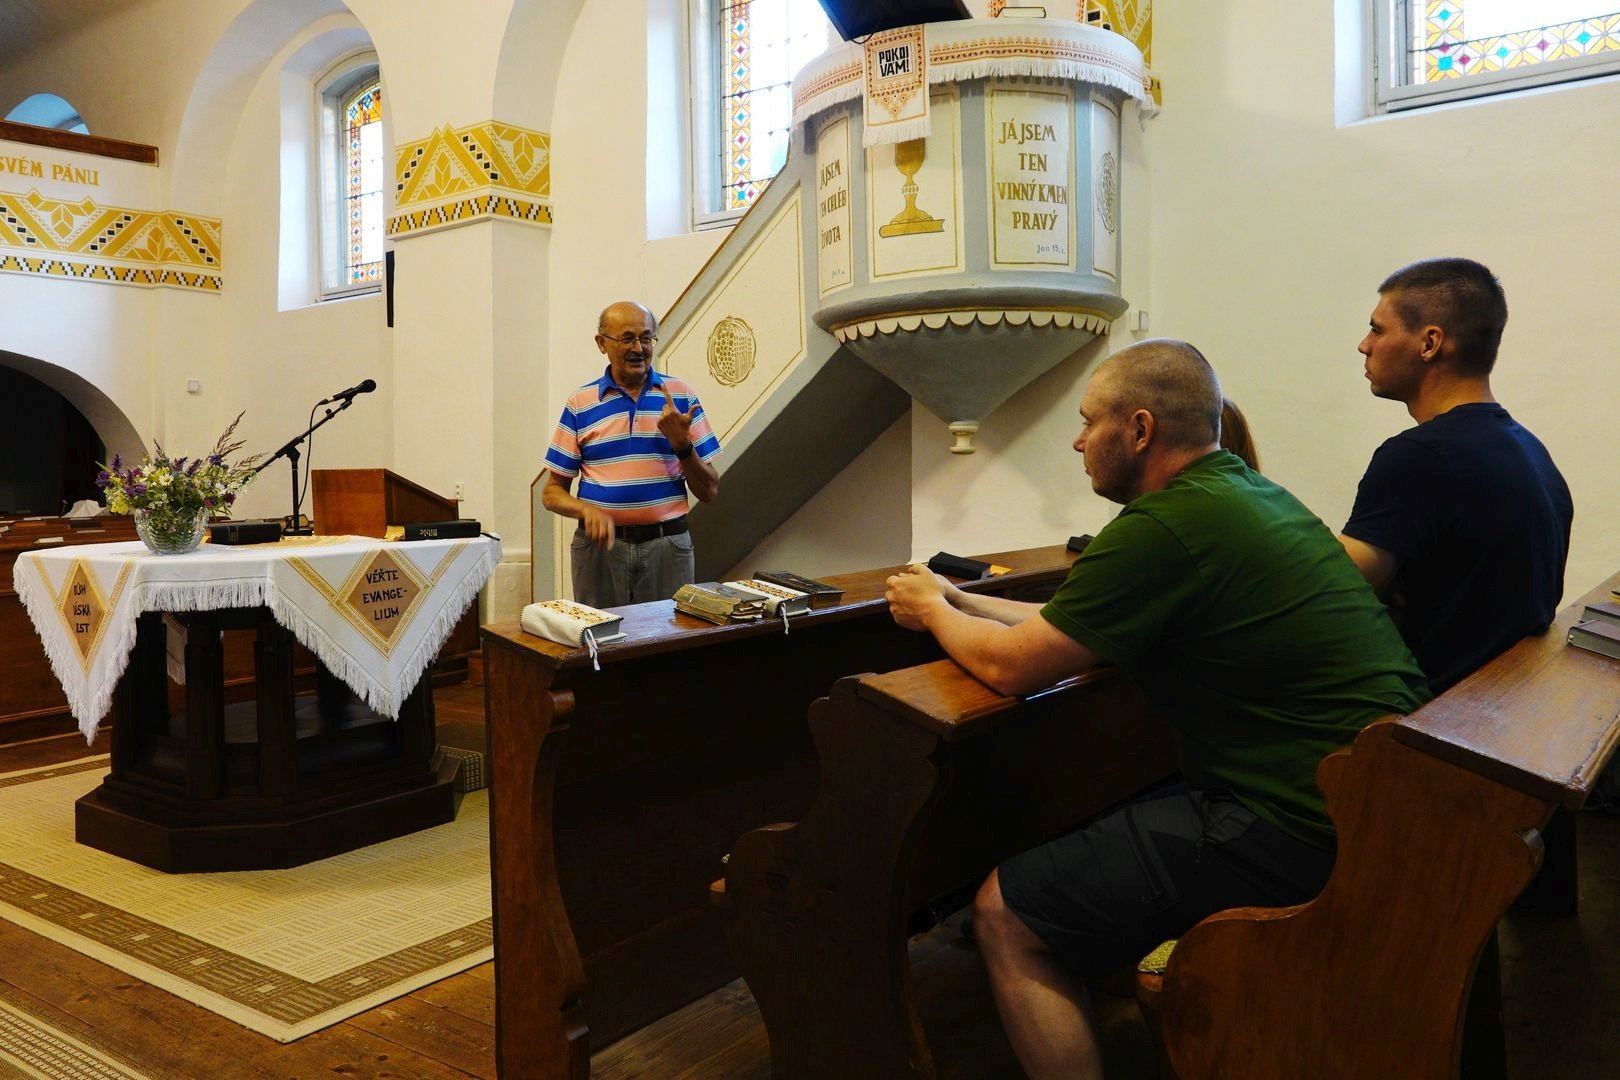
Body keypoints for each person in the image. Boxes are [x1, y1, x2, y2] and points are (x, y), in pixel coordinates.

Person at [885, 339, 1429, 1080]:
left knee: (1004, 914)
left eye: (1088, 421)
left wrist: (929, 611)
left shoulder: (1163, 526)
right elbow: (1069, 627)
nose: (1078, 441)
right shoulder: (1247, 493)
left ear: (1139, 429)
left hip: (1295, 822)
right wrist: (957, 599)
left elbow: (1010, 668)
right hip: (1376, 803)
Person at [1339, 258, 1572, 694]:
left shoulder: (1418, 456)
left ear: (1430, 343)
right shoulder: (1532, 451)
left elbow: (1333, 596)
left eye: (1377, 329)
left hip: (1431, 717)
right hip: (1511, 706)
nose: (1364, 345)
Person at [541, 300, 721, 608]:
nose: (639, 348)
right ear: (602, 343)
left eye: (646, 338)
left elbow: (709, 491)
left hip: (667, 546)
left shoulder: (681, 397)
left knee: (670, 634)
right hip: (600, 548)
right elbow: (551, 493)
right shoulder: (580, 403)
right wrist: (586, 511)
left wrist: (682, 445)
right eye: (627, 338)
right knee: (600, 633)